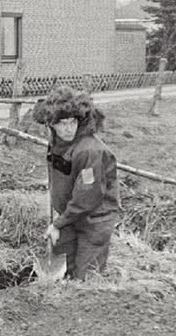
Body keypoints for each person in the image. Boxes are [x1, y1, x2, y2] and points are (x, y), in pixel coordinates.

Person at [32, 86, 120, 280]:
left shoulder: (89, 151)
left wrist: (58, 223)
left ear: (80, 120)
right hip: (71, 216)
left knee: (85, 277)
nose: (68, 128)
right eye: (61, 123)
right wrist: (59, 218)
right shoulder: (57, 144)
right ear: (51, 125)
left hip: (94, 220)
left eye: (72, 122)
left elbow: (87, 197)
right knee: (66, 268)